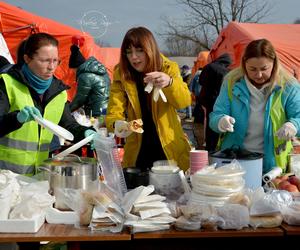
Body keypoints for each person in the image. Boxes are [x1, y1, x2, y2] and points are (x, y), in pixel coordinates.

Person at [0, 32, 97, 175]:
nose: (51, 67)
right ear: (27, 59)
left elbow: (68, 125)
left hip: (38, 177)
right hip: (6, 178)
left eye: (55, 60)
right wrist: (16, 118)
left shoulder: (58, 92)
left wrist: (85, 132)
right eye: (45, 60)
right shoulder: (7, 84)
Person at [106, 26, 192, 172]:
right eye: (128, 52)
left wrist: (169, 82)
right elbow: (113, 111)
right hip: (138, 154)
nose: (133, 57)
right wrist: (117, 124)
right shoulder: (122, 74)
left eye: (139, 50)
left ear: (150, 49)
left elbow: (183, 101)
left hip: (169, 151)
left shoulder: (168, 68)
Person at [209, 38, 300, 174]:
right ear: (244, 64)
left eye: (264, 69)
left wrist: (294, 125)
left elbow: (298, 116)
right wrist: (220, 121)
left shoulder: (288, 86)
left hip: (272, 164)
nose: (258, 75)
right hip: (235, 160)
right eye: (252, 69)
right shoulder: (231, 83)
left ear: (274, 64)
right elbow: (215, 116)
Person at [68, 39, 110, 120]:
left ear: (77, 67)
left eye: (73, 70)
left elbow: (80, 99)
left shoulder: (85, 76)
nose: (73, 73)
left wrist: (66, 111)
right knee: (103, 130)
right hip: (105, 109)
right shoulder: (99, 70)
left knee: (96, 130)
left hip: (96, 112)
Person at [198, 53, 232, 152]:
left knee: (208, 119)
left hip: (205, 98)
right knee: (216, 121)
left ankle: (208, 144)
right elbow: (223, 87)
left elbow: (200, 81)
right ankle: (213, 146)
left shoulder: (208, 66)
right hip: (215, 99)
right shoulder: (224, 71)